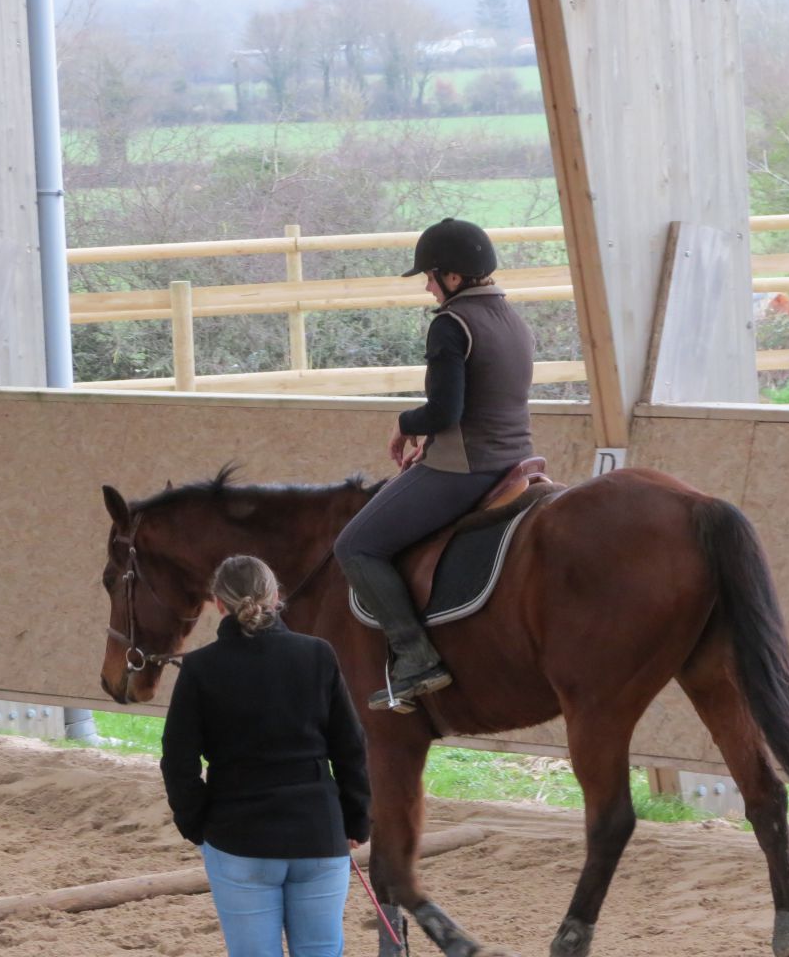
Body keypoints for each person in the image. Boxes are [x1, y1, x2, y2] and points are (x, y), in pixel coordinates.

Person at [333, 218, 536, 712]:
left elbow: (445, 412)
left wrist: (406, 422)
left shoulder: (452, 324)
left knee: (355, 545)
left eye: (430, 276)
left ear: (453, 276)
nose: (427, 286)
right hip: (516, 460)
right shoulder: (513, 319)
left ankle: (415, 657)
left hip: (464, 469)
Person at [160, 555, 371, 957]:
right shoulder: (318, 654)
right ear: (275, 597)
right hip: (319, 834)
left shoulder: (200, 667)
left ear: (218, 603)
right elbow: (351, 747)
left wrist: (197, 825)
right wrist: (356, 819)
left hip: (238, 837)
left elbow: (178, 761)